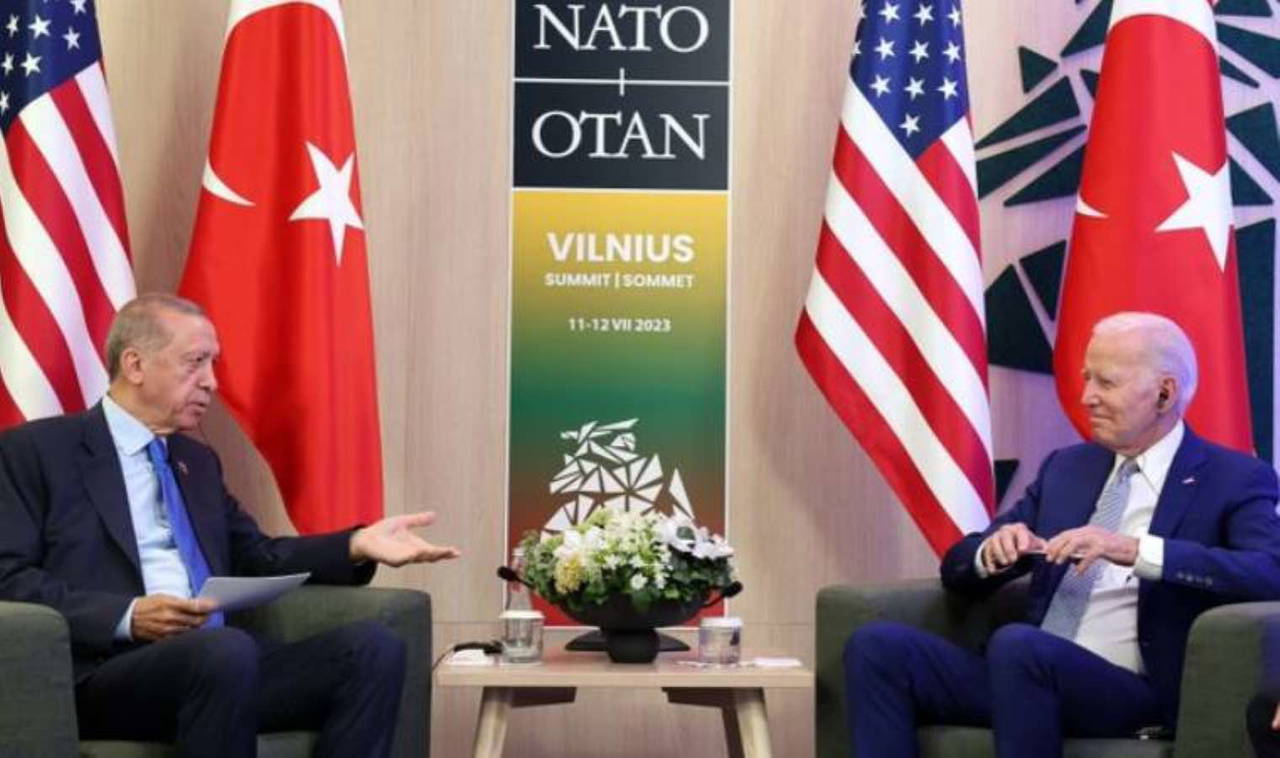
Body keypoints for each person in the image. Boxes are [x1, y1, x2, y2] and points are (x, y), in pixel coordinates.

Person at [0, 293, 461, 758]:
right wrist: (128, 615)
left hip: (221, 664)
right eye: (195, 363)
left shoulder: (196, 462)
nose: (212, 382)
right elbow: (9, 576)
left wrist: (356, 544)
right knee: (225, 651)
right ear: (135, 365)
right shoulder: (38, 453)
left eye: (213, 364)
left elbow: (258, 556)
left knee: (372, 649)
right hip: (109, 672)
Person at [844, 311, 1280, 757]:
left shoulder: (1233, 478)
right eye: (1087, 379)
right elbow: (958, 566)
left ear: (1164, 393)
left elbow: (1269, 573)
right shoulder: (1067, 468)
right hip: (1023, 673)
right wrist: (993, 552)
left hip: (1129, 688)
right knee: (877, 646)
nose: (1087, 397)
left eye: (1106, 383)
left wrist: (1137, 550)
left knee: (1020, 646)